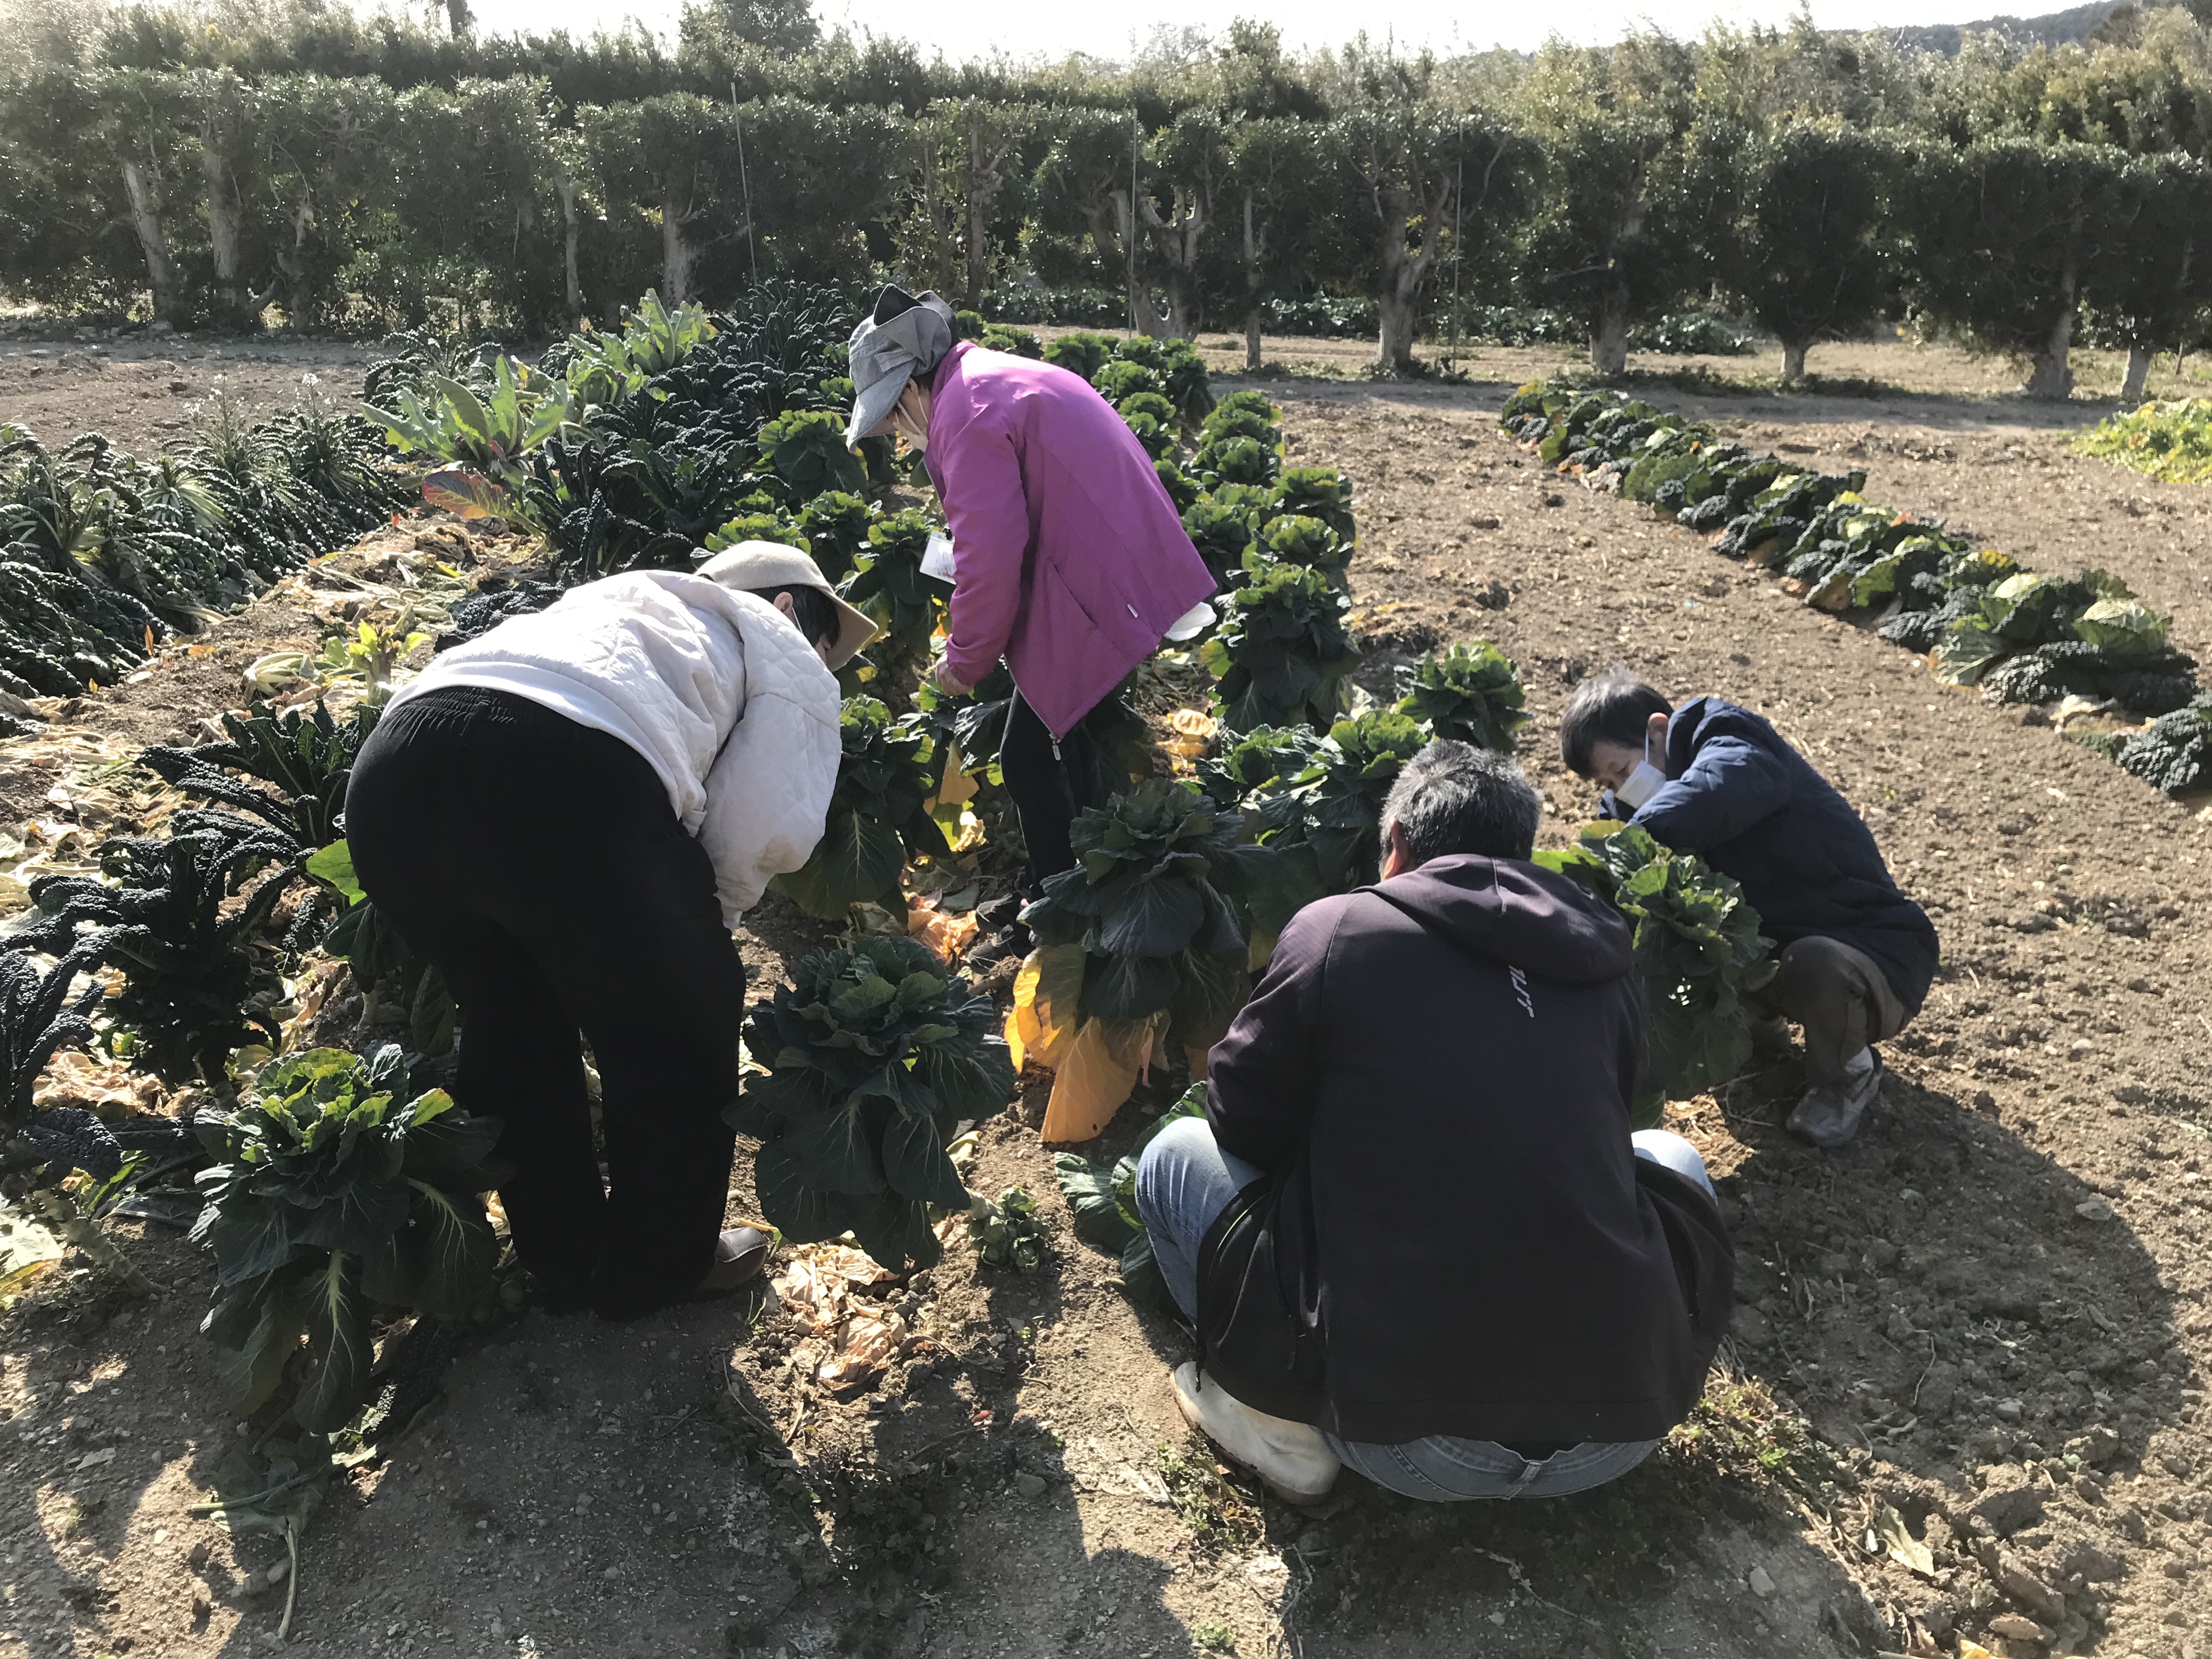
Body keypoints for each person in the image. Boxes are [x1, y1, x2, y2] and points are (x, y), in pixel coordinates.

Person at [1135, 741, 1734, 1505]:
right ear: (1522, 853)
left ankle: (1276, 1425)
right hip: (1621, 1431)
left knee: (1175, 1154)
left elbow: (1244, 1120)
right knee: (1664, 1152)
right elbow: (1610, 1124)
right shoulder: (1602, 954)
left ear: (1397, 847)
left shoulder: (1339, 930)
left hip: (1410, 1447)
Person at [343, 544, 877, 1320]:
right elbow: (764, 823)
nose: (820, 668)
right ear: (792, 608)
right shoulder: (778, 639)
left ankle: (560, 1259)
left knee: (512, 1022)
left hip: (393, 779)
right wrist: (696, 942)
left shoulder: (624, 602)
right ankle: (656, 1271)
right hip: (558, 775)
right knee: (675, 1034)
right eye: (827, 648)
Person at [844, 285, 1216, 963]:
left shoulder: (964, 412)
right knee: (1055, 738)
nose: (899, 437)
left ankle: (1054, 914)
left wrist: (963, 661)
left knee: (1024, 755)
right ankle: (1068, 882)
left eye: (894, 421)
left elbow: (989, 560)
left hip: (1100, 581)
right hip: (1110, 562)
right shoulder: (985, 378)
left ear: (909, 393)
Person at [1559, 664, 1939, 1149]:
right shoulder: (1628, 814)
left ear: (1659, 731)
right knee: (1684, 939)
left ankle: (1848, 1075)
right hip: (1769, 948)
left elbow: (1714, 791)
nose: (1620, 792)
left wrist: (1635, 843)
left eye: (1623, 772)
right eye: (1608, 785)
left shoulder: (1726, 737)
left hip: (1870, 947)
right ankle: (1763, 1031)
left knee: (1817, 963)